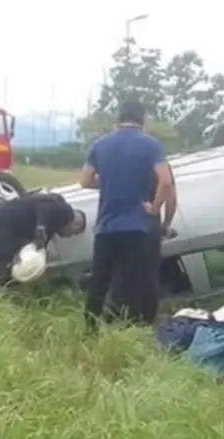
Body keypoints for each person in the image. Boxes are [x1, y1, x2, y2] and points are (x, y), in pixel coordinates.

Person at [79, 99, 174, 330]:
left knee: (99, 282)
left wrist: (111, 183)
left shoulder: (99, 145)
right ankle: (131, 331)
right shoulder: (151, 146)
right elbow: (166, 183)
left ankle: (89, 331)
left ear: (118, 119)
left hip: (106, 226)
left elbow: (85, 181)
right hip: (137, 227)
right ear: (142, 120)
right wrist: (154, 207)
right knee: (133, 283)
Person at [0, 192, 86, 287]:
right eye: (73, 233)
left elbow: (34, 248)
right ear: (75, 223)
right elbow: (42, 208)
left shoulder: (51, 230)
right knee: (2, 265)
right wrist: (40, 229)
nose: (69, 236)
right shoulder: (61, 208)